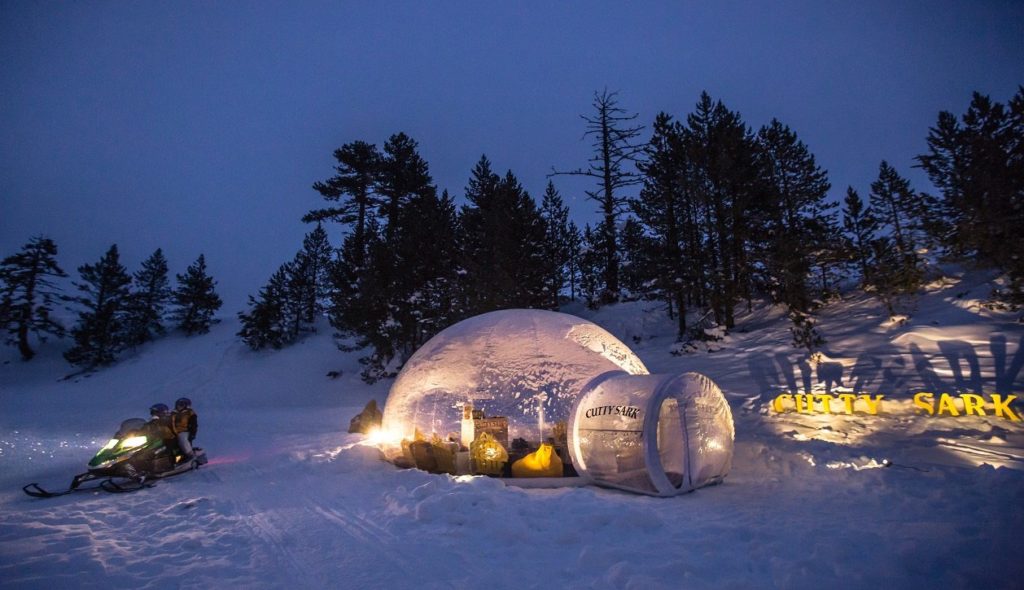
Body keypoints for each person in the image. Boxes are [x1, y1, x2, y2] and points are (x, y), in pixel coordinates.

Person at [172, 397, 198, 462]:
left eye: (181, 405)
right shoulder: (173, 413)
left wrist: (193, 433)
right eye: (178, 405)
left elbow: (194, 424)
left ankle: (190, 454)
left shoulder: (189, 413)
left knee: (182, 439)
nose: (179, 406)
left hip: (184, 431)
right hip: (172, 431)